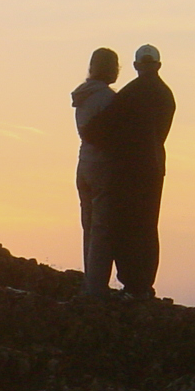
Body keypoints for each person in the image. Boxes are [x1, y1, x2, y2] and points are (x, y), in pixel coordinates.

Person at [79, 43, 176, 299]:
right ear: (158, 65)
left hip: (127, 170)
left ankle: (119, 285)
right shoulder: (167, 95)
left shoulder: (129, 94)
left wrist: (90, 136)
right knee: (146, 226)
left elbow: (100, 128)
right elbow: (160, 134)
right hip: (153, 168)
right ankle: (141, 285)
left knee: (120, 226)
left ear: (136, 66)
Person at [71, 48, 119, 297]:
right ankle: (96, 288)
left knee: (88, 225)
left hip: (83, 164)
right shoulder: (107, 98)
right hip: (101, 165)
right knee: (102, 228)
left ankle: (91, 281)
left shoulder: (83, 95)